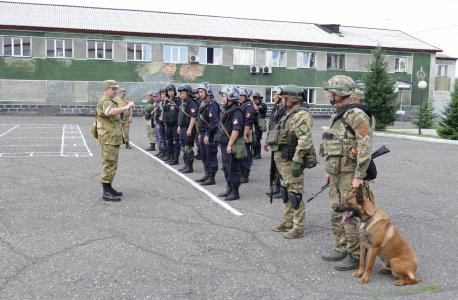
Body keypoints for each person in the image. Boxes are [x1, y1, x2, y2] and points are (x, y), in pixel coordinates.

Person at [321, 75, 373, 270]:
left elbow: (365, 145)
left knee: (350, 215)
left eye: (330, 92)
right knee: (336, 211)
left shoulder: (356, 115)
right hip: (336, 173)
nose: (328, 95)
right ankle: (341, 247)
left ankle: (355, 255)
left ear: (340, 93)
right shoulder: (338, 114)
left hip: (350, 175)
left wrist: (359, 175)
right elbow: (334, 145)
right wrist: (329, 170)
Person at [269, 85, 314, 239]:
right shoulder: (288, 114)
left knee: (295, 194)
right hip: (282, 161)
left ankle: (298, 227)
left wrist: (297, 161)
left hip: (291, 161)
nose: (281, 100)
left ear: (292, 98)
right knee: (286, 193)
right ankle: (288, 222)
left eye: (283, 98)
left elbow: (304, 140)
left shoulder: (302, 115)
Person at [96, 80, 134, 201]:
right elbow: (109, 112)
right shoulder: (105, 101)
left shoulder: (111, 101)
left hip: (112, 139)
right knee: (109, 164)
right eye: (112, 89)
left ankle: (109, 187)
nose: (115, 91)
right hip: (108, 139)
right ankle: (106, 191)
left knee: (112, 164)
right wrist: (126, 107)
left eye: (115, 89)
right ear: (105, 89)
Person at [216, 85, 245, 201]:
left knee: (232, 167)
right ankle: (229, 187)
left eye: (224, 96)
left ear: (231, 97)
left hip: (232, 144)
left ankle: (235, 191)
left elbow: (236, 130)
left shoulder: (236, 111)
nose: (222, 98)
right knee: (226, 167)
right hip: (225, 143)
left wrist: (229, 145)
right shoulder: (227, 109)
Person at [195, 82, 220, 185]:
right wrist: (201, 133)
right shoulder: (203, 102)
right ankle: (207, 173)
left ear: (208, 91)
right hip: (202, 132)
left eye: (202, 92)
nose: (200, 94)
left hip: (209, 133)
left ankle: (212, 177)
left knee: (211, 154)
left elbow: (214, 121)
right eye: (199, 92)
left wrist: (207, 134)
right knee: (204, 154)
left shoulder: (212, 104)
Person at [265, 86, 287, 199]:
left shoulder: (284, 109)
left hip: (280, 142)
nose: (273, 97)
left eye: (274, 94)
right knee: (274, 166)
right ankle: (276, 186)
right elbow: (272, 126)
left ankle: (280, 188)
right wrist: (267, 141)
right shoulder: (276, 107)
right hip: (274, 140)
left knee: (280, 166)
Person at [177, 85, 199, 173]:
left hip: (187, 128)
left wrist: (189, 129)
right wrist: (179, 127)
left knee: (188, 147)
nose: (182, 95)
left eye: (183, 93)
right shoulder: (184, 102)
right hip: (182, 128)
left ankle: (190, 167)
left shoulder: (192, 103)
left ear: (188, 93)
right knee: (183, 147)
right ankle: (186, 165)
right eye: (181, 93)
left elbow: (194, 117)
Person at [161, 83, 182, 165]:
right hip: (168, 125)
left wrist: (179, 126)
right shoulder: (165, 101)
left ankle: (176, 158)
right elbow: (165, 113)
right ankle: (171, 156)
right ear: (167, 92)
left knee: (176, 142)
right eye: (169, 91)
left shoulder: (178, 100)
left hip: (175, 124)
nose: (171, 93)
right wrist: (165, 124)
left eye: (172, 91)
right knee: (168, 141)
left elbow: (181, 112)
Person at [238, 87, 255, 184]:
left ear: (246, 96)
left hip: (246, 132)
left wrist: (244, 135)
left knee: (245, 154)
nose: (240, 97)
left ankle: (245, 174)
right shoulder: (242, 105)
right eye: (239, 95)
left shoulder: (248, 106)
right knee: (240, 152)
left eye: (242, 96)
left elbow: (248, 122)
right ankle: (241, 171)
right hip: (240, 131)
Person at [252, 92, 267, 159]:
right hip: (254, 124)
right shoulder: (254, 105)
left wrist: (252, 102)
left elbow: (256, 108)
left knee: (257, 139)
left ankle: (258, 154)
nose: (254, 101)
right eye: (253, 99)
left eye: (255, 99)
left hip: (259, 125)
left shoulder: (262, 105)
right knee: (253, 139)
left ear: (259, 99)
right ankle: (254, 153)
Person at [151, 92, 166, 157]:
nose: (154, 98)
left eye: (156, 96)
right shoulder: (156, 103)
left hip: (159, 123)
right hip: (156, 122)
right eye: (154, 97)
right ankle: (160, 150)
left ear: (159, 96)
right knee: (157, 137)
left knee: (161, 138)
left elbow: (161, 114)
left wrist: (159, 124)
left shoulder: (161, 103)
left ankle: (163, 151)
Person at [156, 88, 168, 159]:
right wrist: (158, 123)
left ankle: (168, 153)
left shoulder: (168, 102)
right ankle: (163, 152)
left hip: (167, 124)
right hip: (161, 124)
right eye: (162, 94)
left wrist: (166, 123)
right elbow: (158, 115)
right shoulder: (161, 103)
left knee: (167, 140)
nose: (163, 95)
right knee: (163, 138)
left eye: (164, 94)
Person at [193, 88, 203, 161]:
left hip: (199, 121)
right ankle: (199, 152)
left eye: (197, 93)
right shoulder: (196, 101)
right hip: (196, 121)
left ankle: (202, 153)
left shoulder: (201, 102)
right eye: (195, 94)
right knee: (196, 138)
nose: (196, 95)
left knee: (199, 138)